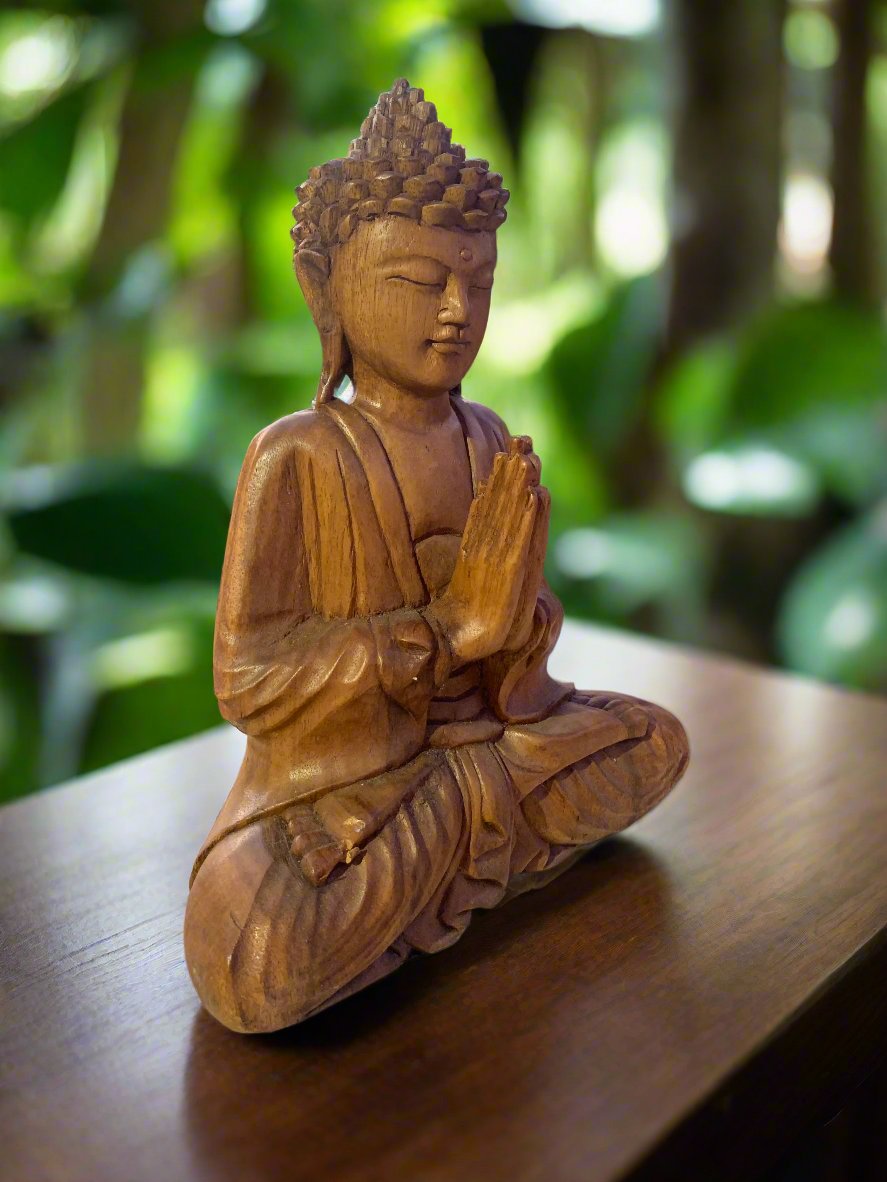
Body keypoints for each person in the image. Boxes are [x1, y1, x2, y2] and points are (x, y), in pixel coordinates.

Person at [184, 80, 689, 1033]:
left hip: (474, 761)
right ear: (326, 288)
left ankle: (446, 865)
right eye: (418, 283)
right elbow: (246, 679)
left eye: (479, 283)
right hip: (343, 790)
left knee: (652, 739)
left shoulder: (488, 436)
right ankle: (460, 863)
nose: (458, 311)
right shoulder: (297, 454)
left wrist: (515, 631)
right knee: (259, 960)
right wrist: (446, 631)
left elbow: (515, 654)